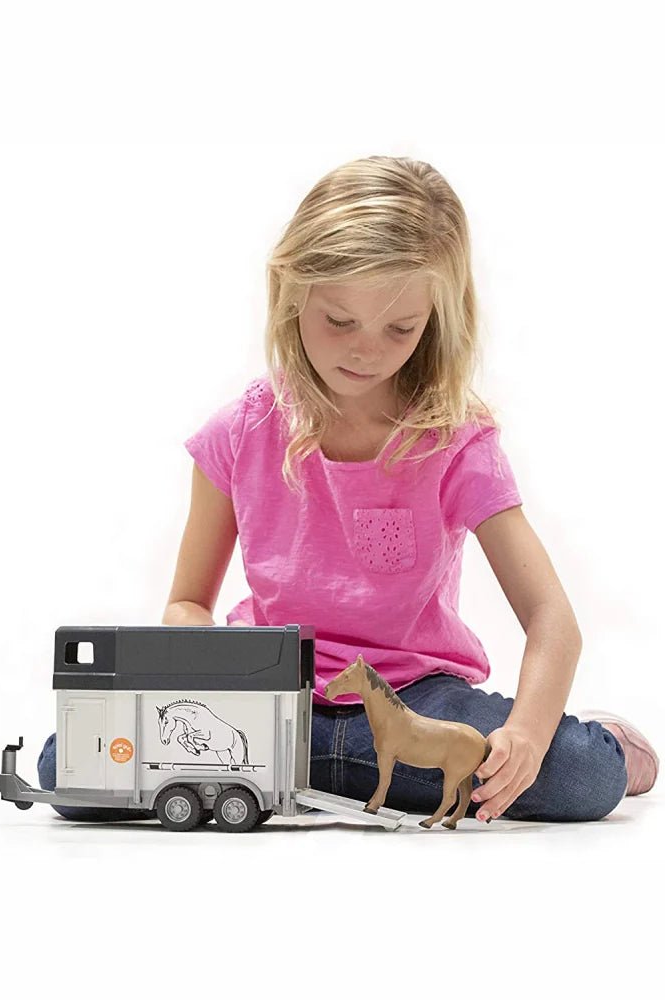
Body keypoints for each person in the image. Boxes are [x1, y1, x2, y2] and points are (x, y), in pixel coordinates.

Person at [37, 155, 657, 824]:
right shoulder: (238, 433)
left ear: (436, 319)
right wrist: (214, 683)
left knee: (581, 776)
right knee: (67, 767)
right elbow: (188, 602)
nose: (366, 351)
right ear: (292, 290)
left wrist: (528, 738)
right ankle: (340, 778)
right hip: (272, 703)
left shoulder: (456, 443)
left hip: (418, 702)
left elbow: (552, 619)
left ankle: (606, 740)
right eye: (339, 320)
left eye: (400, 329)